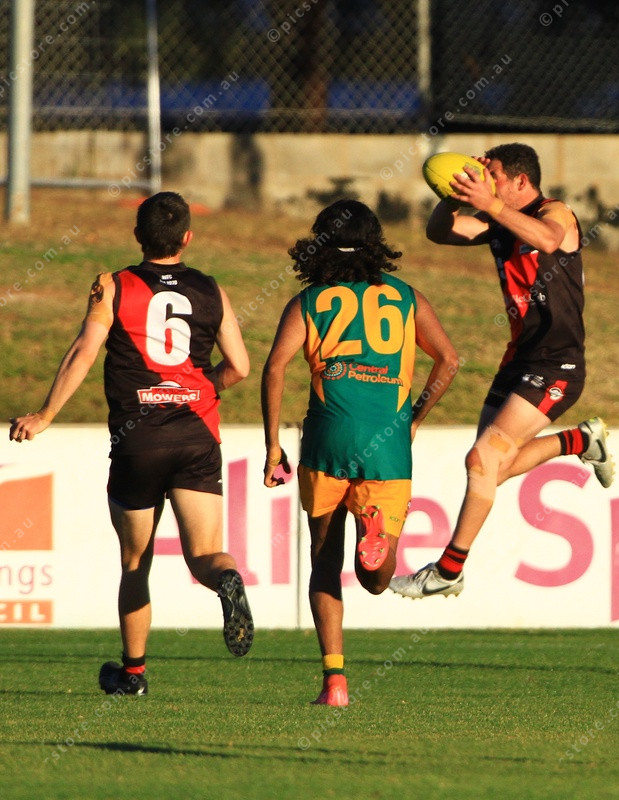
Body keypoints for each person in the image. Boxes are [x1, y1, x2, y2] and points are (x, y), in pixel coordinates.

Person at [9, 191, 254, 694]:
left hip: (138, 440)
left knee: (135, 563)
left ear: (138, 235)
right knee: (205, 555)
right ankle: (226, 579)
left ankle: (134, 675)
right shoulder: (212, 289)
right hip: (196, 434)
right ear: (188, 237)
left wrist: (46, 414)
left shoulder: (113, 284)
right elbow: (240, 367)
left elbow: (84, 350)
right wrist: (197, 389)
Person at [390, 142, 614, 600]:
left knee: (481, 461)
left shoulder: (555, 212)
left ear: (519, 180)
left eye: (490, 173)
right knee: (491, 469)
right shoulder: (498, 220)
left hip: (557, 364)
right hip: (518, 359)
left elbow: (549, 239)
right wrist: (454, 195)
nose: (483, 179)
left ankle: (449, 570)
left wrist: (489, 203)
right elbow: (439, 232)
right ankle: (580, 441)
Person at [261, 199, 458, 705]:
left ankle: (335, 683)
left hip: (328, 437)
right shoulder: (407, 297)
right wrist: (414, 418)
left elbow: (275, 367)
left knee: (324, 564)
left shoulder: (309, 301)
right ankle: (374, 538)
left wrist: (272, 446)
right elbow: (449, 361)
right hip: (387, 443)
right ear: (375, 245)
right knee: (375, 580)